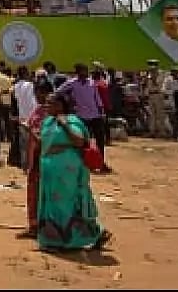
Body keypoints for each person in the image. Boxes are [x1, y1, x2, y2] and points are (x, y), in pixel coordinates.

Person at [36, 93, 111, 251]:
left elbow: (79, 141)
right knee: (51, 203)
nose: (46, 105)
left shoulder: (71, 120)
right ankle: (54, 239)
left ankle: (68, 240)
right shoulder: (48, 121)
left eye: (50, 103)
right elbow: (45, 142)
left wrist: (65, 125)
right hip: (50, 170)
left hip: (67, 171)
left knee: (66, 204)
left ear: (60, 105)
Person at [21, 80, 54, 238]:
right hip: (34, 156)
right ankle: (34, 226)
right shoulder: (38, 110)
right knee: (33, 192)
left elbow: (45, 138)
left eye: (40, 92)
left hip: (46, 159)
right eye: (36, 92)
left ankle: (46, 226)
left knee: (45, 193)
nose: (36, 95)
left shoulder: (51, 114)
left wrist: (28, 130)